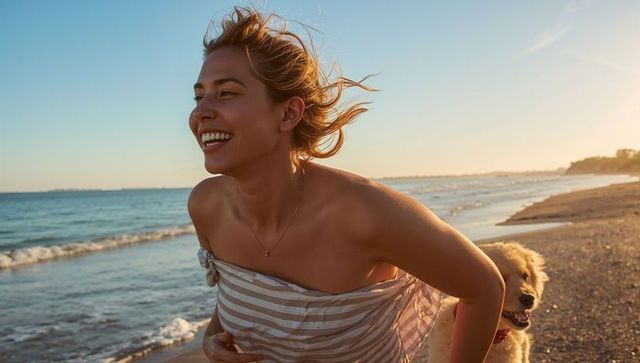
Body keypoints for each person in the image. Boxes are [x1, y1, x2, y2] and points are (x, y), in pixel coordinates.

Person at [188, 6, 505, 363]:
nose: (201, 112)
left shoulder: (363, 212)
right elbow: (236, 298)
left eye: (226, 93)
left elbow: (485, 288)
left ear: (289, 113)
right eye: (199, 96)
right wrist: (212, 339)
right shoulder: (206, 207)